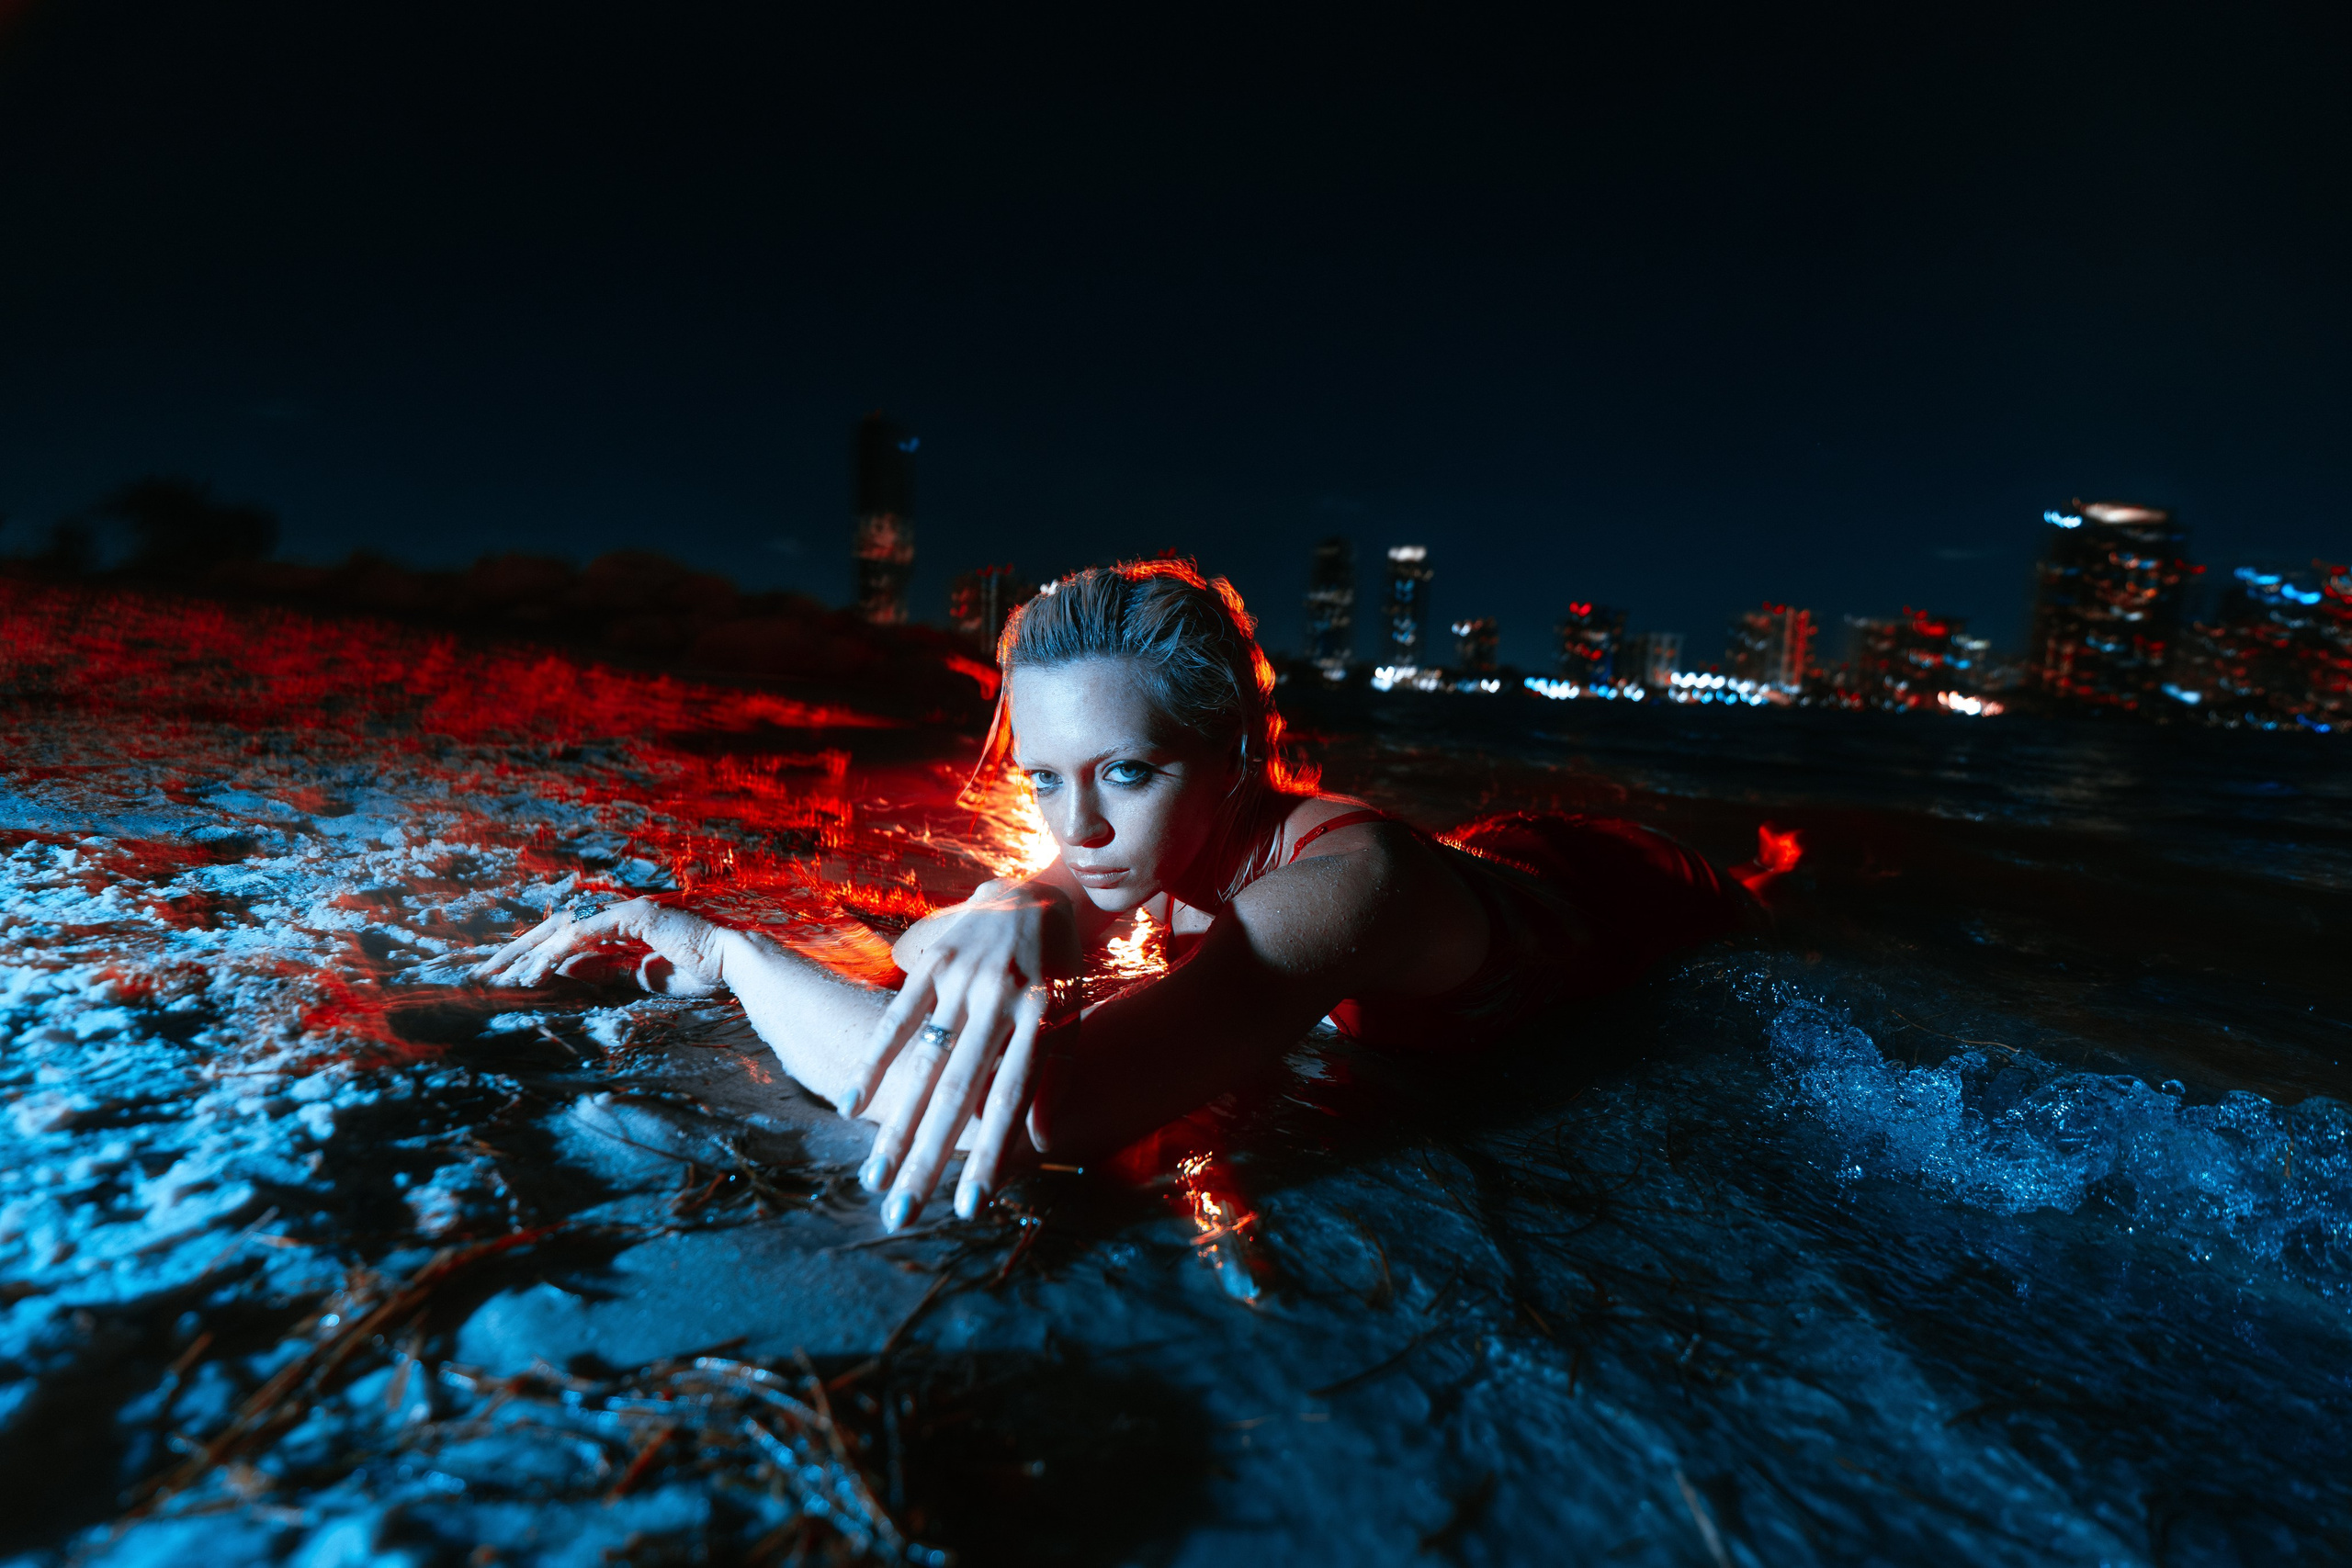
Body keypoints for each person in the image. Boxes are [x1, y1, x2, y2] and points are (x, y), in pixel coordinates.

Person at [475, 559, 1785, 1234]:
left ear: (1234, 759)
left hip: (1627, 892)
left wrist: (729, 954)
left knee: (1783, 888)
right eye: (1044, 777)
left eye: (1131, 771)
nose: (1081, 823)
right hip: (1490, 861)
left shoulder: (1352, 889)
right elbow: (1033, 909)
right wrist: (1005, 905)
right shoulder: (1126, 842)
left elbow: (1039, 1111)